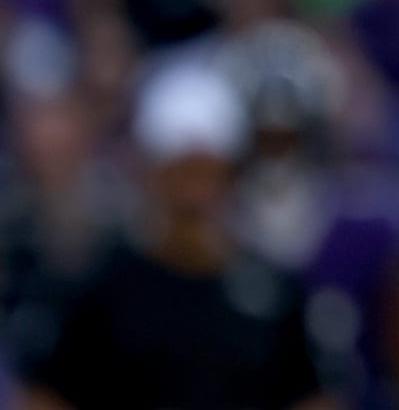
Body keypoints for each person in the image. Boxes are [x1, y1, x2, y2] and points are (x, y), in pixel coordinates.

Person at [23, 63, 332, 410]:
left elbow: (311, 398)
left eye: (206, 173)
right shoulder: (105, 291)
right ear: (153, 177)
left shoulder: (272, 292)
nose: (195, 194)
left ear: (230, 174)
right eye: (181, 175)